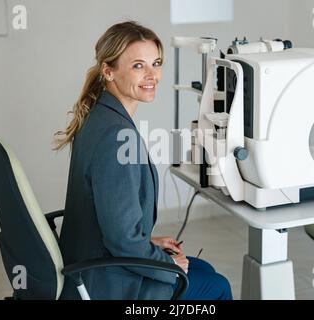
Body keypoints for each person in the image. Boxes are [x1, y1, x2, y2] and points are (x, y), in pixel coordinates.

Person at [54, 21, 232, 300]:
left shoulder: (101, 115)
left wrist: (148, 242)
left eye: (156, 63)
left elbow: (111, 218)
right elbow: (122, 240)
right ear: (108, 71)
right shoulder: (115, 135)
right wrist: (165, 264)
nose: (152, 75)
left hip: (94, 260)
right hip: (103, 282)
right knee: (217, 287)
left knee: (204, 270)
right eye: (138, 65)